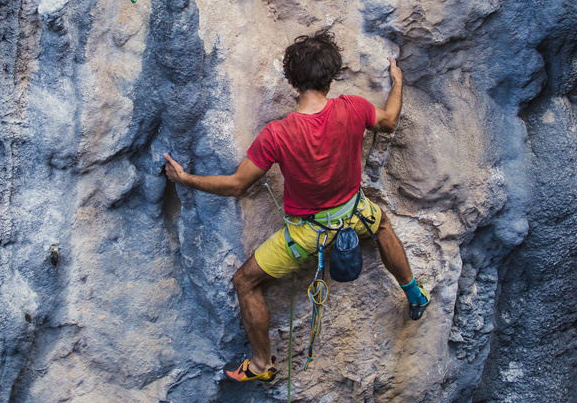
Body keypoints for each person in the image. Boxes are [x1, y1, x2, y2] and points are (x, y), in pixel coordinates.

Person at [163, 29, 429, 383]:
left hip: (307, 235)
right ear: (332, 77)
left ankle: (261, 364)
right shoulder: (353, 108)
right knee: (381, 226)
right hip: (355, 213)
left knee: (244, 281)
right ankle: (414, 293)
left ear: (292, 80)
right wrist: (397, 83)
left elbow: (236, 185)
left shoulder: (278, 134)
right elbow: (390, 120)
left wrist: (186, 180)